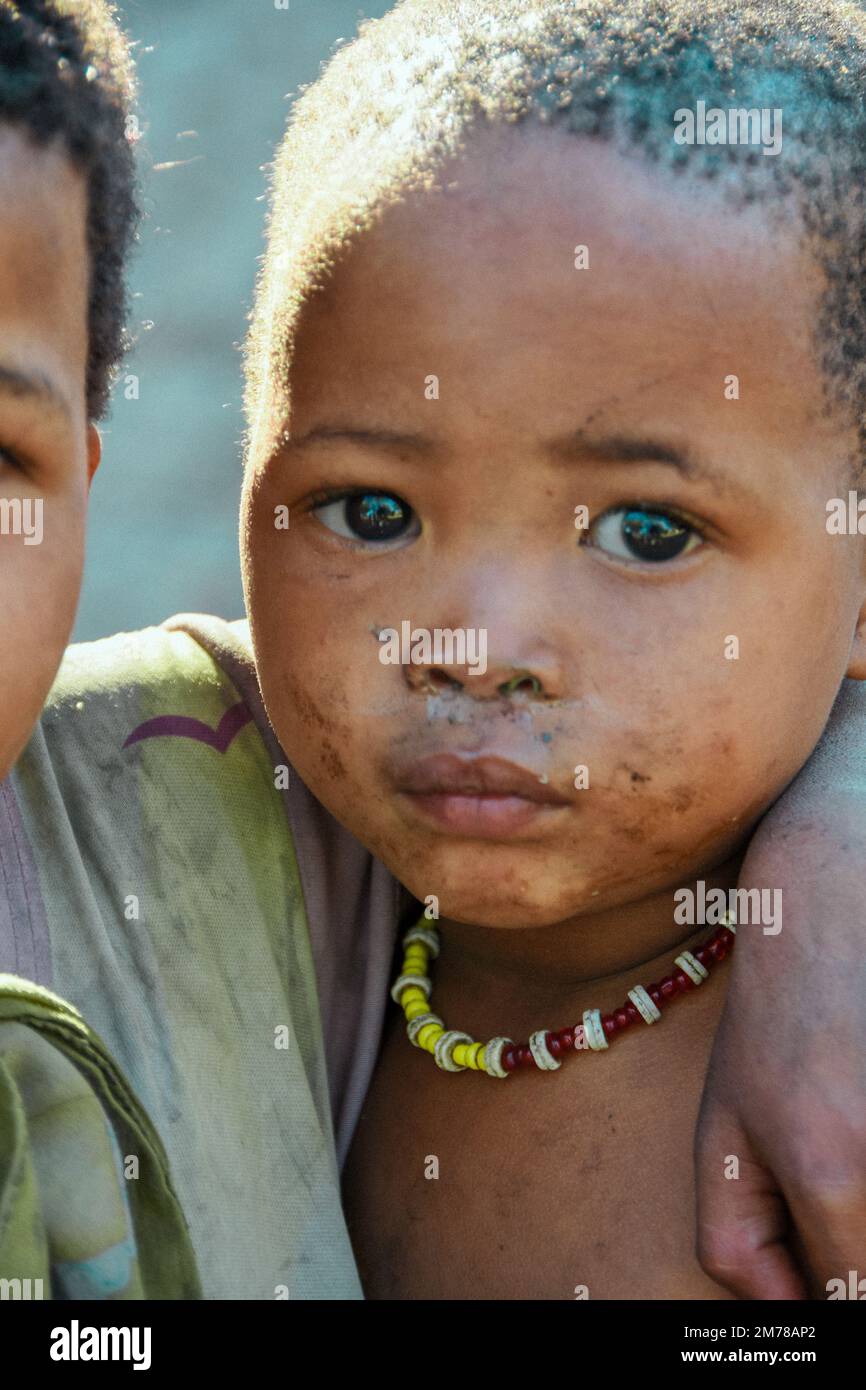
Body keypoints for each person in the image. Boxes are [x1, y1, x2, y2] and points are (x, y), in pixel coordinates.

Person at [240, 0, 866, 1296]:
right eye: (371, 510)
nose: (471, 649)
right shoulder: (209, 866)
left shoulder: (829, 1099)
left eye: (645, 532)